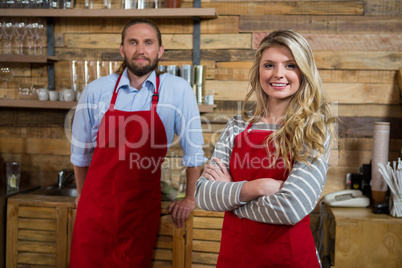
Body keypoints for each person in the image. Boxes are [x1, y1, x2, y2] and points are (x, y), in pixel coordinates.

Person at [69, 18, 207, 267]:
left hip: (141, 210)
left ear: (160, 50)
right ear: (122, 49)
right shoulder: (96, 90)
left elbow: (194, 152)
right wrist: (82, 194)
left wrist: (189, 197)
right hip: (95, 211)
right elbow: (80, 154)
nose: (140, 50)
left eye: (148, 42)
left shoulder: (177, 90)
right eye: (133, 42)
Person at [194, 29, 337, 268]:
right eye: (269, 65)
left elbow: (291, 208)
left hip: (290, 259)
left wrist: (231, 196)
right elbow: (203, 195)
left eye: (290, 65)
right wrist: (256, 187)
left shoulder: (315, 129)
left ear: (304, 71)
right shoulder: (237, 126)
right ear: (259, 71)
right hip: (235, 258)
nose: (278, 74)